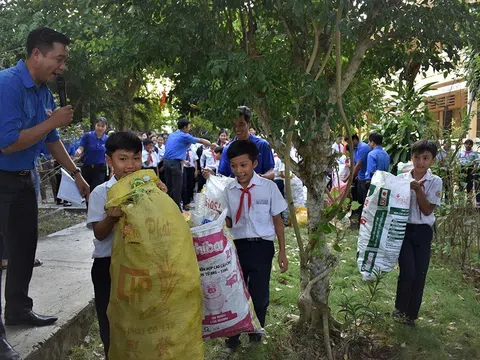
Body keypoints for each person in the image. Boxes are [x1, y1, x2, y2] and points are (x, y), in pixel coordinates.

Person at [0, 27, 90, 360]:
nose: (62, 67)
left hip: (24, 181)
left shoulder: (43, 93)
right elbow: (8, 142)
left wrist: (77, 175)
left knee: (24, 248)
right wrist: (52, 123)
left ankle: (19, 310)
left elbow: (51, 141)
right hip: (1, 177)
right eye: (59, 59)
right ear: (36, 55)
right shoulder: (7, 85)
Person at [87, 132, 166, 359]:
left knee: (140, 319)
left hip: (139, 265)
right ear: (109, 161)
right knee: (111, 321)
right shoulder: (101, 193)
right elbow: (100, 235)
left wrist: (162, 200)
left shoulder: (148, 190)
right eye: (123, 159)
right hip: (108, 267)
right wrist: (111, 217)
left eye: (136, 158)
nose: (131, 166)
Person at [223, 140, 288, 353]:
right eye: (234, 166)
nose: (239, 171)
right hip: (236, 247)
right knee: (234, 292)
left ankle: (256, 332)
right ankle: (232, 337)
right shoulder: (227, 190)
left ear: (254, 163)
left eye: (243, 165)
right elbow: (229, 221)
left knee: (259, 294)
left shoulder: (268, 188)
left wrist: (282, 252)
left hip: (262, 247)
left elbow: (278, 221)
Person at [394, 140, 442, 328]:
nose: (420, 162)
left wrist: (418, 189)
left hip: (423, 231)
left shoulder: (435, 181)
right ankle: (399, 308)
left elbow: (428, 210)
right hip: (404, 229)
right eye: (416, 157)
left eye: (425, 158)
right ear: (411, 158)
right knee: (407, 271)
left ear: (432, 161)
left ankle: (411, 316)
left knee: (419, 273)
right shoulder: (403, 177)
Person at [163, 117, 211, 209]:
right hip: (175, 164)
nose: (189, 129)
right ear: (185, 127)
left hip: (166, 162)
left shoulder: (172, 135)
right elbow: (201, 140)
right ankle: (177, 210)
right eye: (189, 127)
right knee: (177, 187)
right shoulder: (184, 135)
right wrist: (212, 145)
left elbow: (173, 149)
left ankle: (168, 207)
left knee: (169, 186)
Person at [217, 106, 275, 180]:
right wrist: (210, 175)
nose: (237, 129)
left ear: (249, 124)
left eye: (241, 124)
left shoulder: (262, 145)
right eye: (235, 125)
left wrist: (260, 179)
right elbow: (222, 175)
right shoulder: (228, 149)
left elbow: (271, 172)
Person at [75, 117, 108, 194]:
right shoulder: (88, 136)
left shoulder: (107, 139)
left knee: (96, 190)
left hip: (100, 168)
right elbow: (81, 147)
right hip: (87, 167)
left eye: (102, 126)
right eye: (98, 125)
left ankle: (95, 206)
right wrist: (79, 151)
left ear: (106, 127)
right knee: (87, 190)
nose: (100, 128)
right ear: (95, 125)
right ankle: (88, 206)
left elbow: (109, 153)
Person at [352, 135, 371, 221]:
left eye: (350, 141)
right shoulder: (355, 149)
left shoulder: (363, 148)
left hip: (365, 179)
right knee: (359, 199)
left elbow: (359, 164)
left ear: (356, 140)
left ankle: (363, 219)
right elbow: (354, 164)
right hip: (359, 177)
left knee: (364, 200)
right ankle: (359, 217)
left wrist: (351, 177)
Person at [456, 139, 479, 203]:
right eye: (466, 144)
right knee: (461, 184)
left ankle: (469, 200)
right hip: (462, 168)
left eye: (470, 144)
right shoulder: (461, 152)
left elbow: (476, 162)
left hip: (470, 168)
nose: (468, 145)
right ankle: (460, 199)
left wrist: (474, 170)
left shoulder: (474, 153)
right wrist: (458, 168)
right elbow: (457, 160)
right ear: (464, 144)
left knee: (469, 184)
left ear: (472, 145)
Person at [182, 144, 198, 210]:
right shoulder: (181, 149)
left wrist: (196, 170)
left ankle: (189, 200)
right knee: (184, 185)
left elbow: (195, 160)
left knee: (190, 185)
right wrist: (185, 162)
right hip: (184, 168)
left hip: (191, 168)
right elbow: (179, 158)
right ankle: (185, 202)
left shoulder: (193, 150)